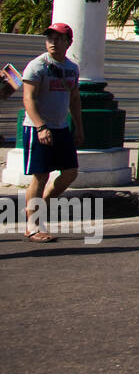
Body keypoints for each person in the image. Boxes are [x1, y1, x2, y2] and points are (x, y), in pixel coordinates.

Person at [20, 23, 84, 242]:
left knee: (70, 172)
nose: (53, 42)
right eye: (50, 38)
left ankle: (40, 205)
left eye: (59, 38)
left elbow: (74, 99)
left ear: (68, 42)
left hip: (61, 127)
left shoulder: (72, 68)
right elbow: (28, 99)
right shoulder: (37, 66)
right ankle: (33, 227)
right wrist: (40, 126)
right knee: (41, 175)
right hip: (38, 128)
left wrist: (78, 126)